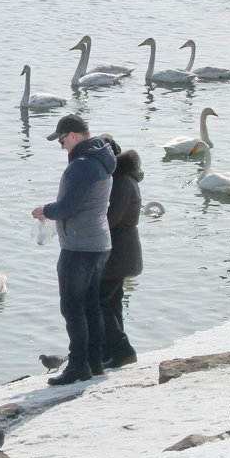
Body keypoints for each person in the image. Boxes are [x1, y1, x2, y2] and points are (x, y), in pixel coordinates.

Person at [32, 114, 116, 386]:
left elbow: (67, 207)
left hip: (79, 246)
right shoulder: (102, 158)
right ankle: (94, 362)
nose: (60, 145)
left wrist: (44, 210)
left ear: (74, 134)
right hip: (98, 242)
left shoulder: (82, 165)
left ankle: (78, 365)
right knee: (91, 305)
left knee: (72, 307)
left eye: (61, 139)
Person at [97, 135, 142, 368]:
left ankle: (122, 349)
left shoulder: (121, 182)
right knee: (112, 300)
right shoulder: (124, 178)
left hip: (119, 250)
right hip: (122, 249)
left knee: (101, 300)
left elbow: (112, 218)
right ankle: (111, 352)